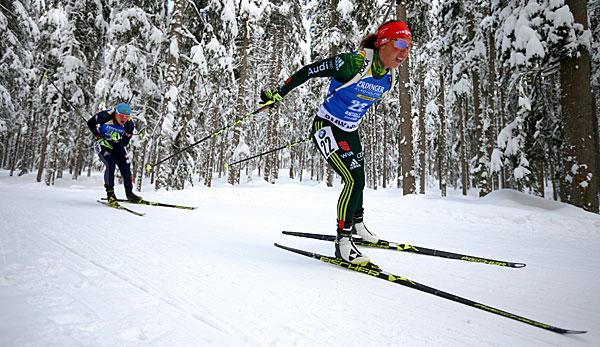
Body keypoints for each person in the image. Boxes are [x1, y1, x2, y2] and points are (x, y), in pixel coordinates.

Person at [260, 20, 412, 265]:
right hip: (327, 126)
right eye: (400, 44)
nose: (405, 52)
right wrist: (278, 93)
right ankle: (343, 244)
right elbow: (309, 71)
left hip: (350, 131)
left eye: (409, 47)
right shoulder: (353, 63)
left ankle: (358, 226)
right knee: (354, 180)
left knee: (359, 178)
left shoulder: (388, 77)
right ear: (383, 42)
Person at [87, 102, 142, 206]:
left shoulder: (129, 124)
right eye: (121, 116)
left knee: (126, 166)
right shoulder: (105, 116)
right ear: (115, 113)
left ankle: (129, 194)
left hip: (117, 146)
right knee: (110, 164)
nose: (123, 119)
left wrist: (120, 139)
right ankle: (110, 194)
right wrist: (98, 136)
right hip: (103, 144)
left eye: (126, 117)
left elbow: (125, 142)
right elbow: (90, 123)